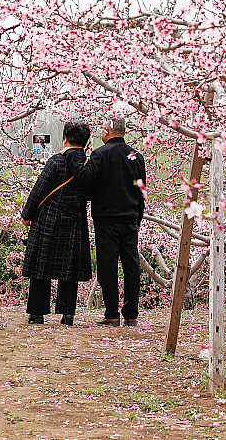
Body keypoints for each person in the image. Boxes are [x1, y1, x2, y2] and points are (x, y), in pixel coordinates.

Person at [74, 116, 146, 327]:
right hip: (130, 217)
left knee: (108, 265)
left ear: (107, 131)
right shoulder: (136, 156)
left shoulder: (100, 154)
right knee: (131, 264)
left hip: (105, 218)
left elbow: (85, 179)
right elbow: (141, 190)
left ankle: (112, 313)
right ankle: (131, 313)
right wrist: (138, 216)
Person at [20, 122, 92, 325]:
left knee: (41, 266)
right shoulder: (89, 165)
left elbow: (39, 190)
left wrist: (27, 215)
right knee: (69, 268)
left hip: (49, 220)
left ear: (65, 139)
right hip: (75, 221)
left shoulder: (56, 162)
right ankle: (67, 315)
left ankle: (37, 313)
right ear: (85, 143)